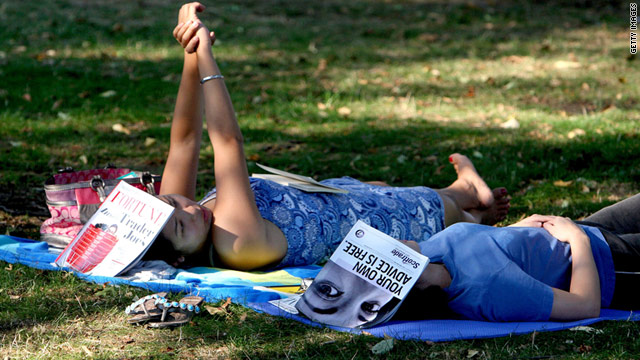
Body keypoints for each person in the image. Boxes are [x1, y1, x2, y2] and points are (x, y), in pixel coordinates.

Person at [146, 3, 510, 271]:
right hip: (372, 223)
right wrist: (208, 58)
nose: (189, 208)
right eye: (181, 225)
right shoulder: (235, 241)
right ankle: (475, 212)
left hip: (332, 197)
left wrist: (190, 52)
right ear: (180, 257)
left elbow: (185, 141)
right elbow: (227, 143)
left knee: (379, 186)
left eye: (175, 202)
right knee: (429, 208)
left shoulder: (179, 215)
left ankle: (466, 191)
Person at [393, 193, 640, 322]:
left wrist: (514, 230)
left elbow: (477, 247)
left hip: (584, 230)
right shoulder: (487, 289)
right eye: (388, 249)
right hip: (610, 266)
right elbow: (584, 306)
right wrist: (578, 240)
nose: (391, 240)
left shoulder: (428, 250)